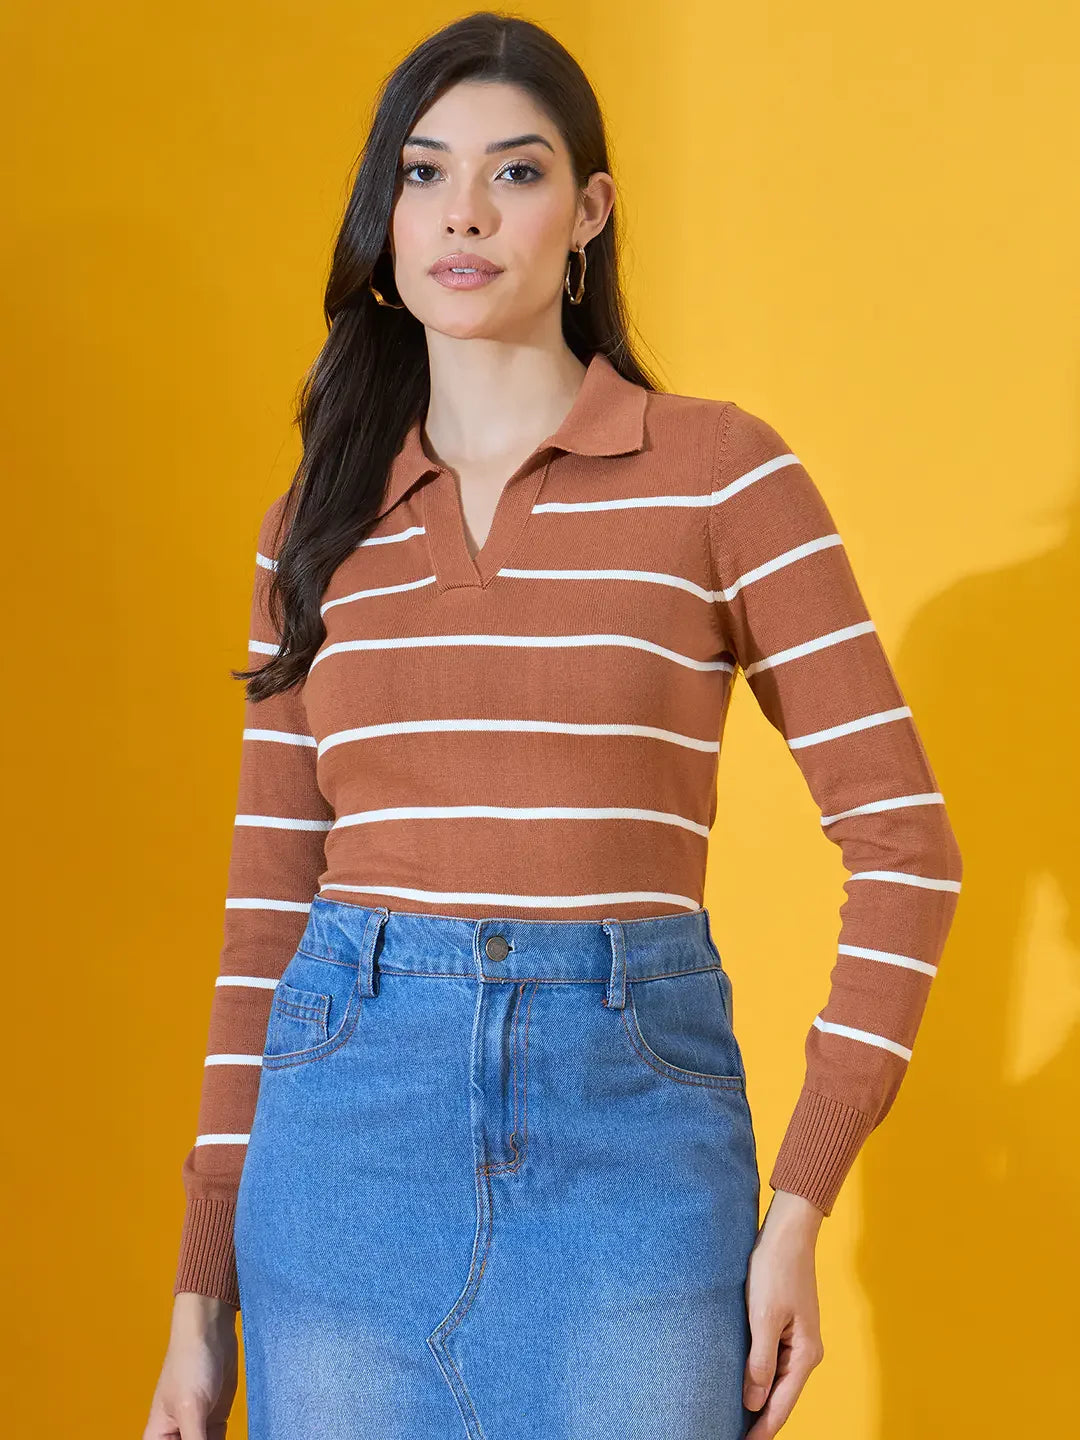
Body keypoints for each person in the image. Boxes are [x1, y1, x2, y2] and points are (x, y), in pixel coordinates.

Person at [144, 13, 962, 1440]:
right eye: (423, 173)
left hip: (634, 1166)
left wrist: (801, 1202)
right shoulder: (315, 530)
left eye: (515, 174)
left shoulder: (721, 476)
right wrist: (196, 1306)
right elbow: (268, 915)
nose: (463, 211)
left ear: (587, 212)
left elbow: (906, 848)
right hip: (342, 1170)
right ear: (384, 217)